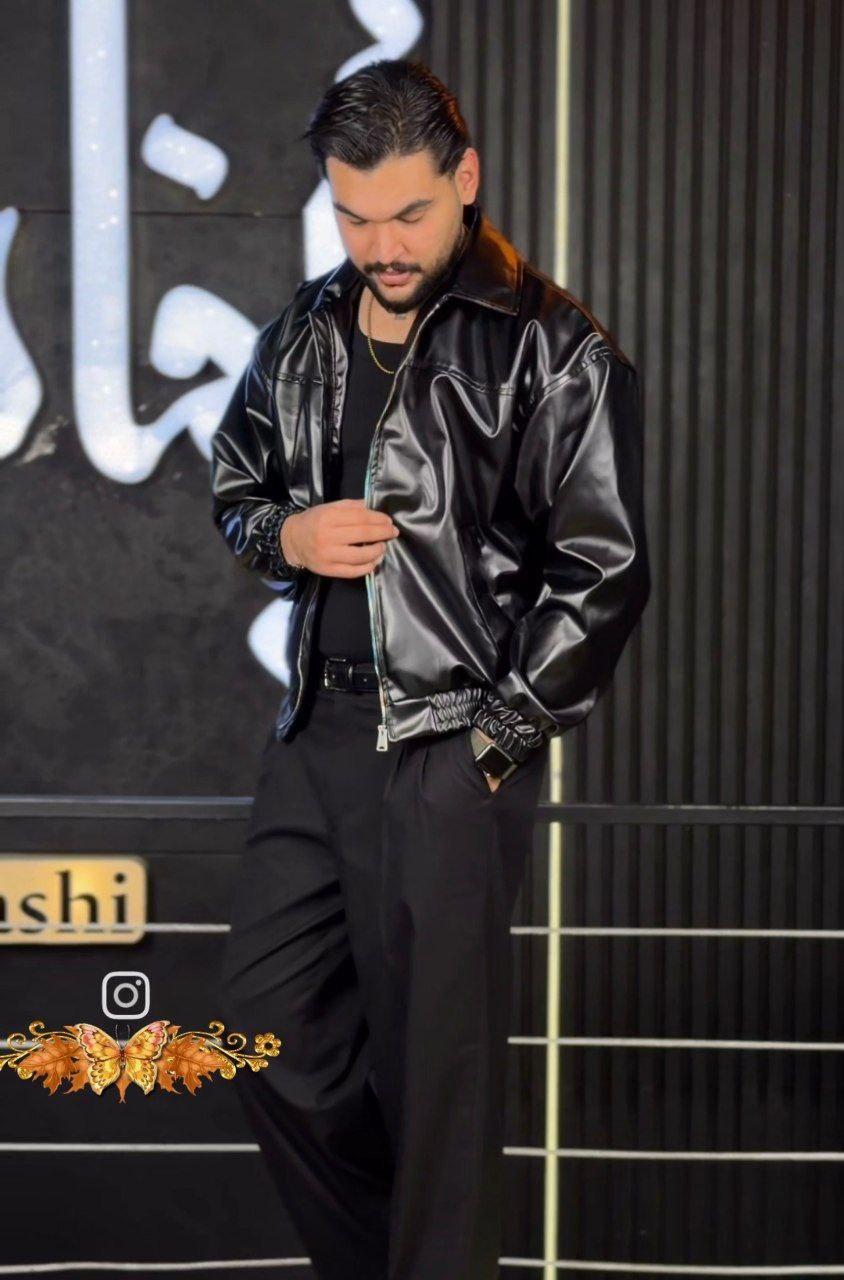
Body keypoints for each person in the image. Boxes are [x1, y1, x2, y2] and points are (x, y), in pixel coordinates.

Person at [211, 57, 650, 1280]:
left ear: (464, 178)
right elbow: (239, 485)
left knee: (438, 1088)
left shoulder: (553, 347)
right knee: (263, 1029)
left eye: (405, 212)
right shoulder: (305, 329)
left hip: (453, 748)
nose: (381, 246)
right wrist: (287, 536)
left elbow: (604, 569)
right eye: (354, 215)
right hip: (316, 739)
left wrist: (493, 744)